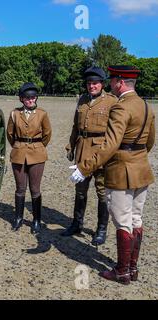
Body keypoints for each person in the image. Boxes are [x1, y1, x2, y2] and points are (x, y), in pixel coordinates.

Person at [70, 66, 155, 285]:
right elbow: (150, 142)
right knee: (136, 219)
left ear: (119, 82)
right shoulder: (146, 105)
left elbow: (109, 145)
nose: (110, 85)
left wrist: (84, 168)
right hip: (141, 169)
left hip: (121, 171)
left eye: (113, 81)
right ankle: (132, 268)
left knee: (123, 222)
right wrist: (135, 156)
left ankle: (121, 270)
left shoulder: (120, 107)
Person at [62, 67, 118, 246]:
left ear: (102, 84)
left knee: (102, 192)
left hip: (102, 152)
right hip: (83, 150)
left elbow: (114, 132)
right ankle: (76, 224)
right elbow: (75, 126)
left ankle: (101, 229)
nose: (91, 86)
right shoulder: (83, 99)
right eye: (89, 83)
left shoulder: (111, 101)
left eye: (95, 83)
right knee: (80, 191)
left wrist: (109, 153)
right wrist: (71, 146)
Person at [7, 83, 52, 234]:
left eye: (33, 97)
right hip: (19, 153)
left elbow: (47, 134)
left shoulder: (42, 114)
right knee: (20, 189)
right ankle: (18, 218)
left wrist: (37, 146)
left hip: (37, 154)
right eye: (27, 98)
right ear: (22, 99)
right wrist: (19, 146)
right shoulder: (14, 113)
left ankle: (37, 220)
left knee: (35, 189)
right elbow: (10, 134)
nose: (31, 100)